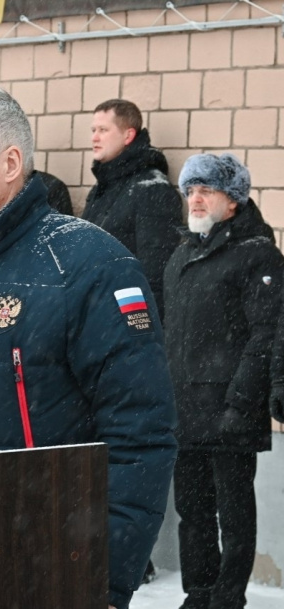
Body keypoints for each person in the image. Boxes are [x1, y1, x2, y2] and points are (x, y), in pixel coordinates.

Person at [0, 86, 177, 609]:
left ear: (10, 163)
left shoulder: (89, 263)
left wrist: (105, 579)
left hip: (45, 569)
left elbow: (140, 435)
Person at [163, 153, 283, 609]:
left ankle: (229, 597)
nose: (195, 199)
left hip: (232, 410)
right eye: (190, 190)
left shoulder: (257, 254)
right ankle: (200, 592)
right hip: (186, 410)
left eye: (206, 190)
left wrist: (242, 401)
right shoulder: (181, 256)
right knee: (192, 513)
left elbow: (265, 333)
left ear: (232, 201)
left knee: (233, 513)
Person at [82, 99, 182, 320]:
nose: (94, 137)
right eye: (93, 130)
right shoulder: (102, 188)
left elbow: (155, 271)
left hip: (122, 319)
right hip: (94, 314)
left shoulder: (152, 189)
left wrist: (140, 330)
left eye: (103, 130)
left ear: (128, 136)